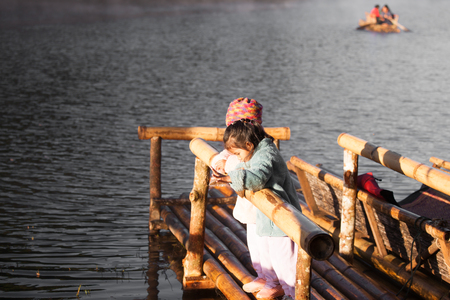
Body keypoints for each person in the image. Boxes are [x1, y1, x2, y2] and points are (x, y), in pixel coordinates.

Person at [214, 118, 301, 300]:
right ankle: (278, 286)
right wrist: (229, 172)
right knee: (272, 256)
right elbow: (246, 167)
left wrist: (231, 178)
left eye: (238, 153)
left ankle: (294, 294)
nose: (238, 158)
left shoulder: (266, 153)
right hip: (269, 214)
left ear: (248, 144)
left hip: (283, 216)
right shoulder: (256, 150)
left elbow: (258, 176)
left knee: (285, 261)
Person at [211, 98, 278, 298]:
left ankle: (274, 281)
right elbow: (222, 156)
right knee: (255, 244)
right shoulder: (238, 145)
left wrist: (229, 164)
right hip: (250, 206)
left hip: (264, 205)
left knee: (267, 245)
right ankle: (262, 275)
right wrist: (220, 160)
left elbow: (244, 167)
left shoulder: (262, 149)